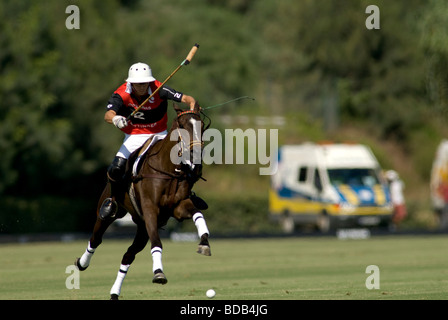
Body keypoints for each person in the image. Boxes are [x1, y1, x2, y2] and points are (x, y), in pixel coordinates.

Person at [100, 62, 197, 219]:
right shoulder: (122, 93)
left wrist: (192, 108)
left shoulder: (159, 88)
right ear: (131, 83)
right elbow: (108, 115)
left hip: (160, 134)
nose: (141, 87)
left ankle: (189, 195)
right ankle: (113, 201)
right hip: (134, 135)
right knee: (115, 168)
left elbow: (187, 98)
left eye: (144, 83)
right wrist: (117, 119)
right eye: (138, 84)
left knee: (188, 163)